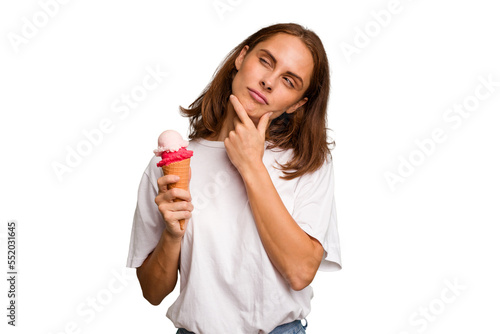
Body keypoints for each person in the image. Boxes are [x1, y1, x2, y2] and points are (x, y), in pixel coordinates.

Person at [126, 23, 342, 334]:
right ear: (242, 57)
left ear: (296, 104)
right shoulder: (169, 165)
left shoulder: (307, 163)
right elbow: (153, 292)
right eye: (265, 61)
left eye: (289, 80)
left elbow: (299, 272)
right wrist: (172, 236)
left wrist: (251, 166)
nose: (268, 81)